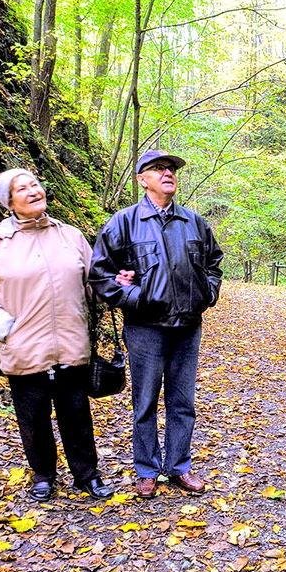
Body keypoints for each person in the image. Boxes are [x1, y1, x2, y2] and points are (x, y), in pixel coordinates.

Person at [0, 168, 114, 502]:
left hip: (71, 345)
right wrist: (4, 327)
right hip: (23, 347)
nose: (33, 191)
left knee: (77, 415)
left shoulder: (70, 235)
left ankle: (87, 475)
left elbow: (94, 284)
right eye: (22, 188)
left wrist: (117, 286)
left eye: (35, 185)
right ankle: (43, 475)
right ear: (9, 202)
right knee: (33, 418)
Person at [89, 150, 223, 497]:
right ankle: (146, 470)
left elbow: (214, 263)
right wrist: (134, 299)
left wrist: (207, 293)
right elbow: (100, 274)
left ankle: (179, 467)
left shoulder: (194, 222)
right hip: (145, 328)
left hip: (188, 327)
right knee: (145, 401)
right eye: (158, 169)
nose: (168, 173)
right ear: (142, 179)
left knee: (183, 402)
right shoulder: (123, 222)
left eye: (172, 169)